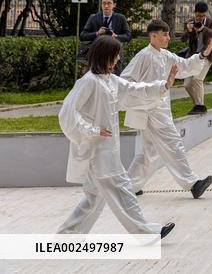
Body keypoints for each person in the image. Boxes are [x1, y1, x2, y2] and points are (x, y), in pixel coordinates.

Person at [57, 36, 178, 238]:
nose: (119, 58)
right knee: (123, 191)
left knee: (93, 199)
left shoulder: (110, 80)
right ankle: (147, 233)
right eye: (116, 54)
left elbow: (134, 91)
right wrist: (92, 130)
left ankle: (66, 236)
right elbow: (67, 113)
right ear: (105, 56)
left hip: (108, 151)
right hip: (96, 153)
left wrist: (163, 86)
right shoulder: (88, 82)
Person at [122, 19, 212, 199]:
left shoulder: (165, 55)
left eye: (168, 34)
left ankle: (130, 186)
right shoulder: (143, 56)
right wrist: (148, 92)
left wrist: (203, 55)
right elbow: (126, 80)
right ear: (153, 35)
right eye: (164, 34)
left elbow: (185, 66)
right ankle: (192, 183)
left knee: (149, 151)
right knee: (173, 143)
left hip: (160, 109)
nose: (168, 37)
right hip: (151, 110)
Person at [78, 0, 132, 74]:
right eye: (104, 3)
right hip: (97, 56)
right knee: (96, 79)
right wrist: (97, 33)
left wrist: (115, 36)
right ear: (101, 4)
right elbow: (82, 36)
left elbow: (128, 36)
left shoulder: (120, 18)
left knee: (115, 80)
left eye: (109, 3)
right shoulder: (93, 17)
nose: (106, 6)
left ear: (114, 5)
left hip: (115, 56)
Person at [180, 1, 212, 115]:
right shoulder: (189, 22)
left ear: (206, 13)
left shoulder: (210, 22)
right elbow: (183, 39)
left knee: (197, 79)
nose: (200, 18)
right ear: (194, 12)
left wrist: (203, 28)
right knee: (187, 84)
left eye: (202, 16)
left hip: (206, 55)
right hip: (193, 57)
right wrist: (189, 30)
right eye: (198, 15)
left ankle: (200, 106)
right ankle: (198, 105)